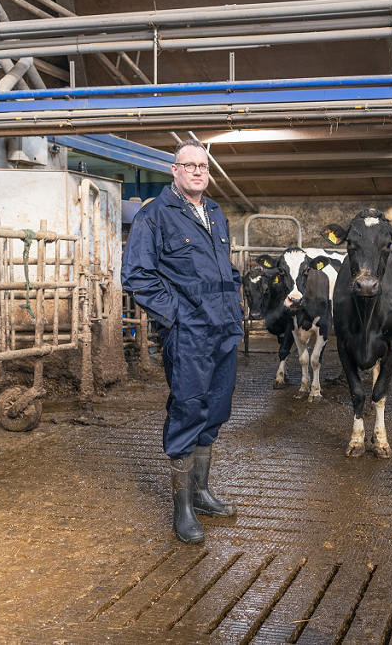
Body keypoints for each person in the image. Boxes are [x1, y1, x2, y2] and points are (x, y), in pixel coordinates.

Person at [122, 139, 243, 544]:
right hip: (189, 334)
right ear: (174, 170)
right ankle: (183, 508)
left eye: (203, 166)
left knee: (216, 409)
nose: (197, 172)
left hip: (224, 328)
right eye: (188, 165)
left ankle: (201, 492)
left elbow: (223, 269)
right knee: (188, 409)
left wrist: (235, 304)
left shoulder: (215, 213)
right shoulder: (154, 216)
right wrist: (175, 315)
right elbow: (136, 275)